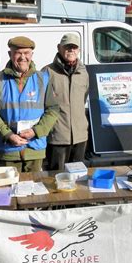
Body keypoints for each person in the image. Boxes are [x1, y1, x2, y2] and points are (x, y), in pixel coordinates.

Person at [0, 36, 59, 172]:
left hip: (34, 147)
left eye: (26, 53)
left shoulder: (43, 79)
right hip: (8, 149)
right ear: (10, 54)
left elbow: (53, 110)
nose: (22, 57)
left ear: (32, 55)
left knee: (35, 190)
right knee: (9, 190)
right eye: (18, 53)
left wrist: (36, 131)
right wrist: (8, 135)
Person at [42, 33, 89, 170]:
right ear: (59, 48)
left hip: (80, 137)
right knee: (56, 178)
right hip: (58, 136)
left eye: (74, 47)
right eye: (67, 47)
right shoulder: (47, 72)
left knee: (78, 178)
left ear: (79, 50)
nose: (71, 50)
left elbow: (84, 98)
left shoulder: (83, 73)